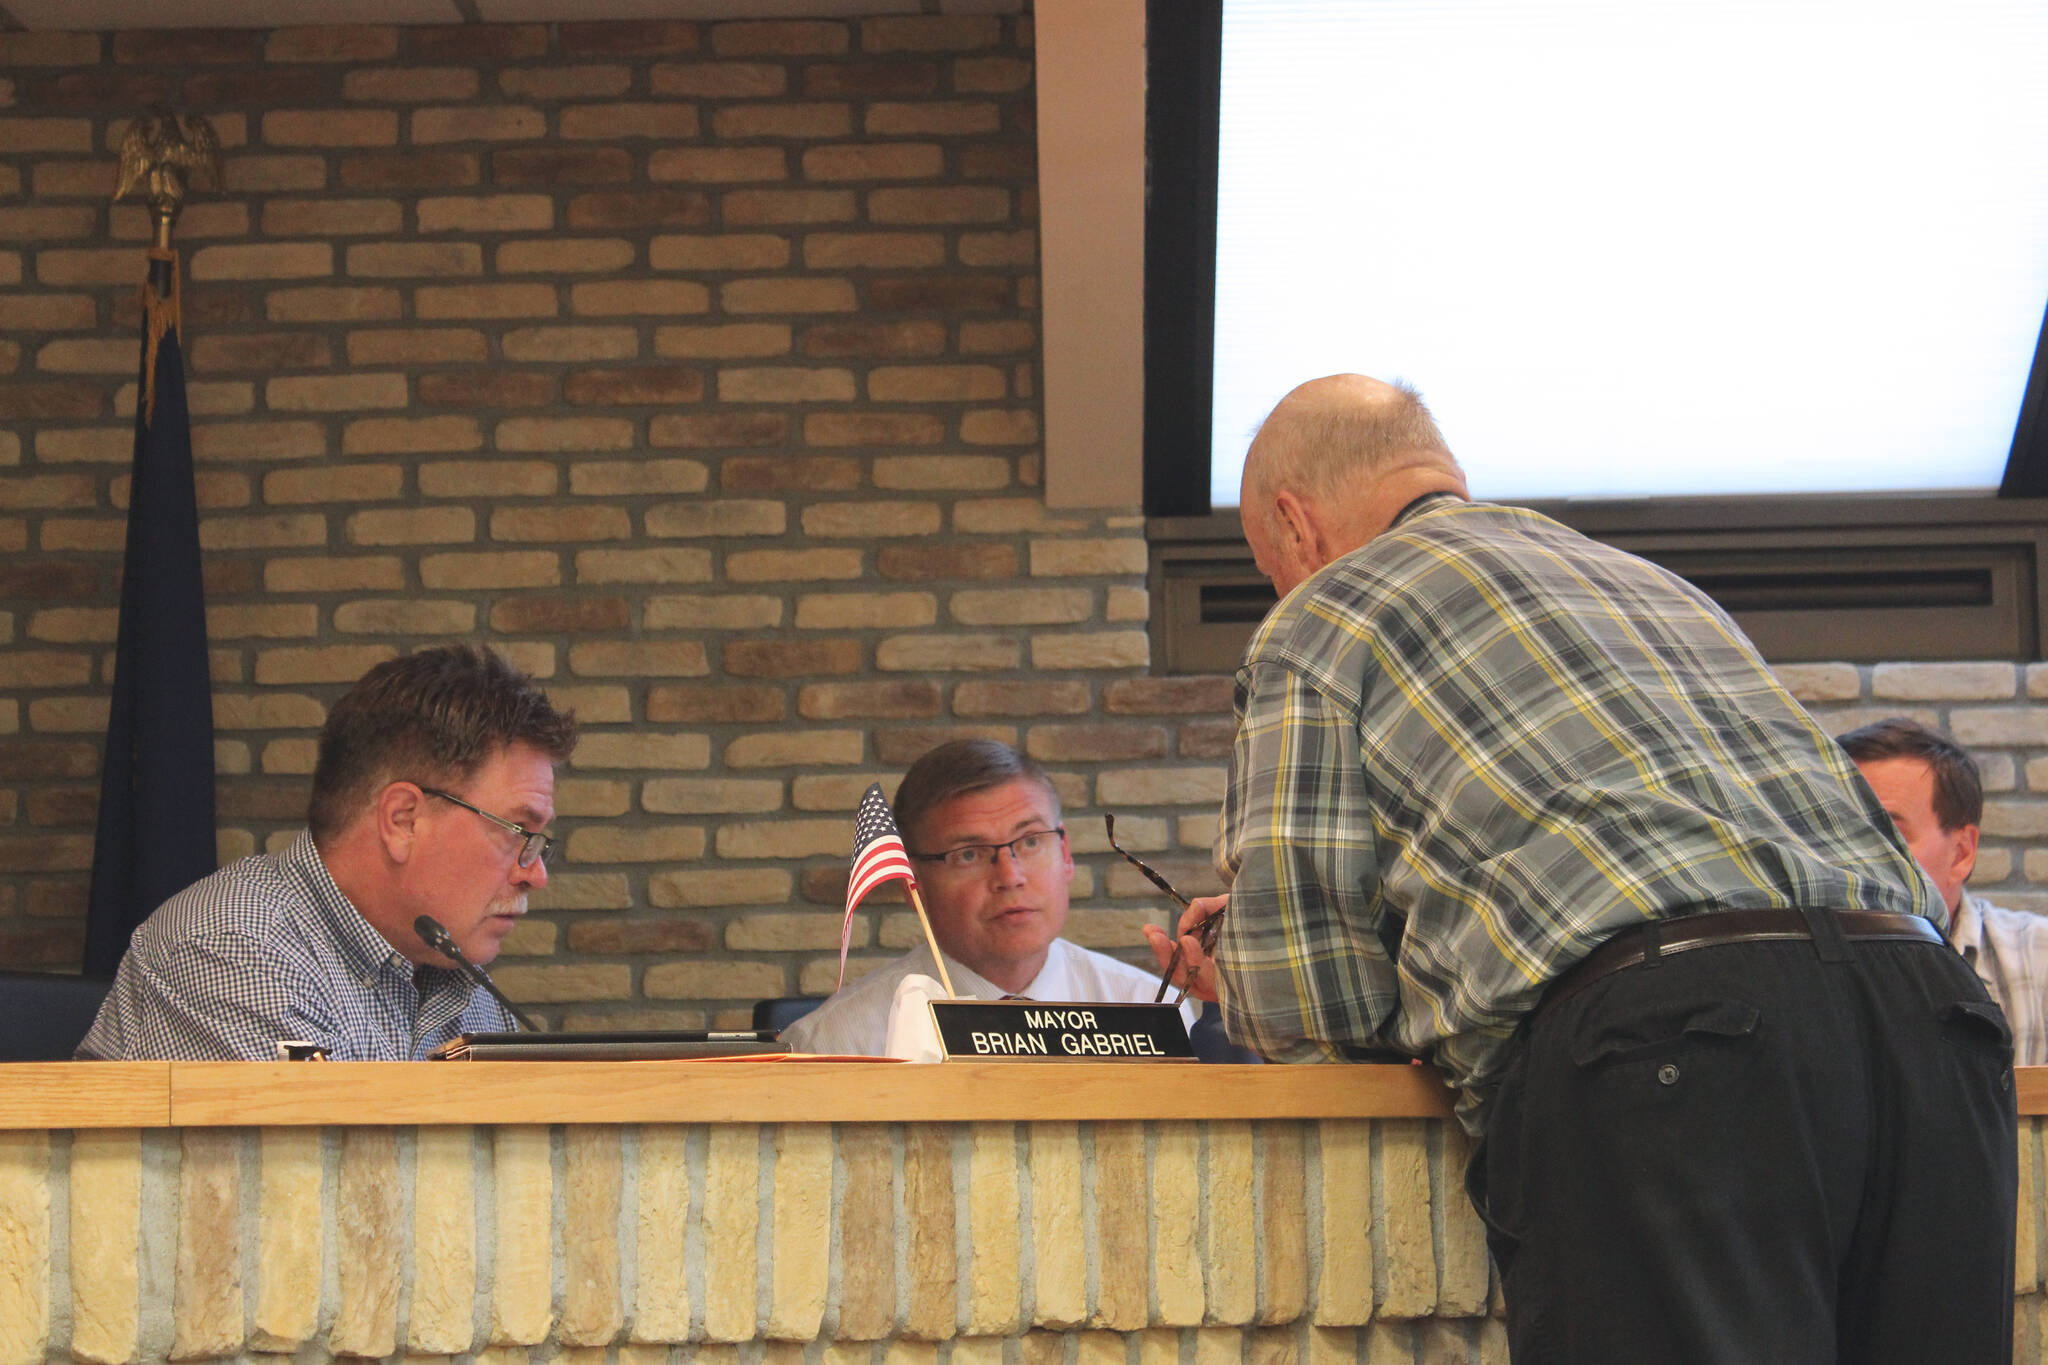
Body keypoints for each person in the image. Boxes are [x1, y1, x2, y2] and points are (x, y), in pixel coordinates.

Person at [1143, 374, 2016, 1363]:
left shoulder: (1320, 618)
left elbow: (1313, 1005)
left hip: (1672, 1045)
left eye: (1267, 568)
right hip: (1928, 1015)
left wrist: (1253, 971)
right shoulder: (1647, 584)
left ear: (1292, 523)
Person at [78, 645, 576, 1061]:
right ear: (403, 819)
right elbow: (317, 1179)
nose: (533, 875)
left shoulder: (458, 976)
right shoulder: (233, 950)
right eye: (516, 832)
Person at [782, 739, 1188, 1055]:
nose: (1009, 877)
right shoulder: (831, 1045)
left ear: (1065, 855)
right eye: (969, 854)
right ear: (914, 884)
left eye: (1030, 841)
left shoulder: (1153, 1011)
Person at [1840, 715, 2048, 1065]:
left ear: (1961, 853)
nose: (1854, 858)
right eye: (1842, 833)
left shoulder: (2038, 960)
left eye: (1889, 835)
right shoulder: (1794, 973)